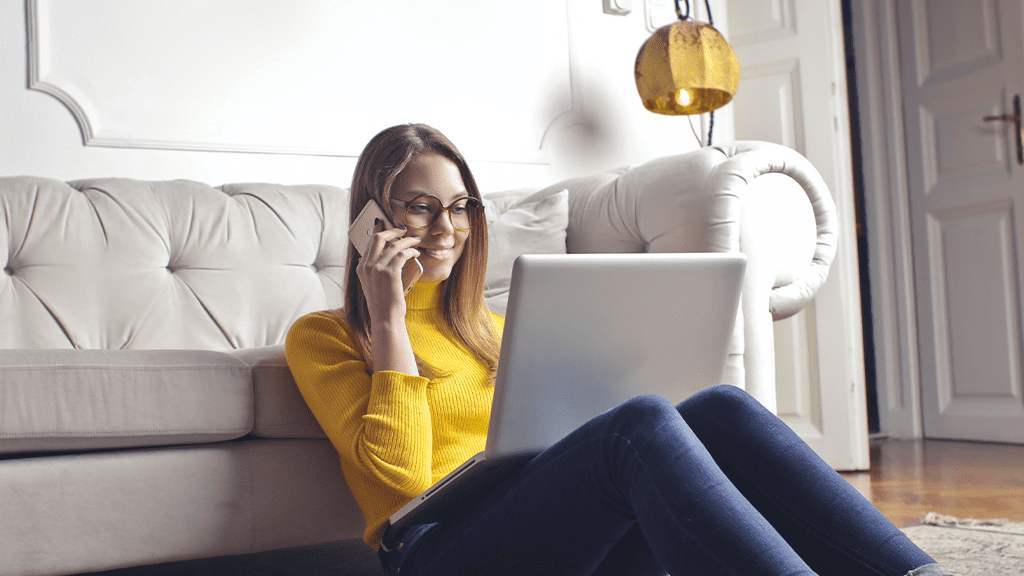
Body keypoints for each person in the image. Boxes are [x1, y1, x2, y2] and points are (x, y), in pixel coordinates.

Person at [285, 123, 950, 576]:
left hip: (564, 530)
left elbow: (560, 437)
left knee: (717, 406)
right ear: (371, 217)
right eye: (420, 207)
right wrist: (390, 314)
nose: (448, 228)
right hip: (439, 552)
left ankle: (915, 573)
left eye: (461, 208)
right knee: (638, 427)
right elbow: (401, 479)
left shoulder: (495, 324)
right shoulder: (326, 336)